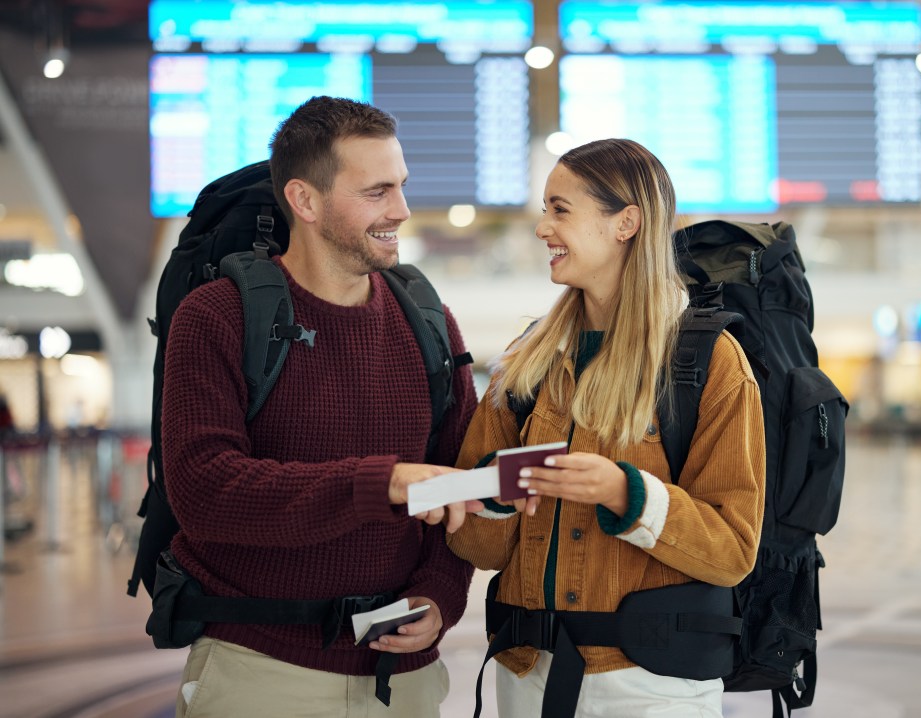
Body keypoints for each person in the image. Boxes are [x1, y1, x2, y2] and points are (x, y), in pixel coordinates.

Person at [160, 96, 481, 718]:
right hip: (261, 671)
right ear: (305, 201)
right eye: (377, 192)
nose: (402, 211)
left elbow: (456, 484)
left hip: (404, 677)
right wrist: (379, 483)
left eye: (402, 187)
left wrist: (441, 597)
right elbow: (203, 489)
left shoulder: (430, 323)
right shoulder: (218, 317)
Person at [447, 138, 766, 718]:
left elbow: (734, 550)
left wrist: (627, 494)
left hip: (651, 687)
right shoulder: (526, 362)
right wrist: (491, 496)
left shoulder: (708, 362)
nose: (543, 227)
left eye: (560, 209)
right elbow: (474, 547)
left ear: (626, 222)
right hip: (527, 674)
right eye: (545, 209)